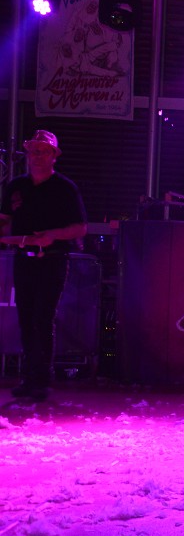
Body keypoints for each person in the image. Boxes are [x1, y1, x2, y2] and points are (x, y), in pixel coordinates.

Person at [0, 130, 87, 400]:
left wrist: (52, 235)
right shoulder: (16, 186)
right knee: (26, 318)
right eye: (33, 151)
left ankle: (42, 380)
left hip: (52, 259)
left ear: (53, 156)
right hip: (23, 259)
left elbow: (80, 228)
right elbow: (5, 220)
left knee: (42, 317)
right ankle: (29, 378)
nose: (37, 156)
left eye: (43, 151)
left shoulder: (65, 188)